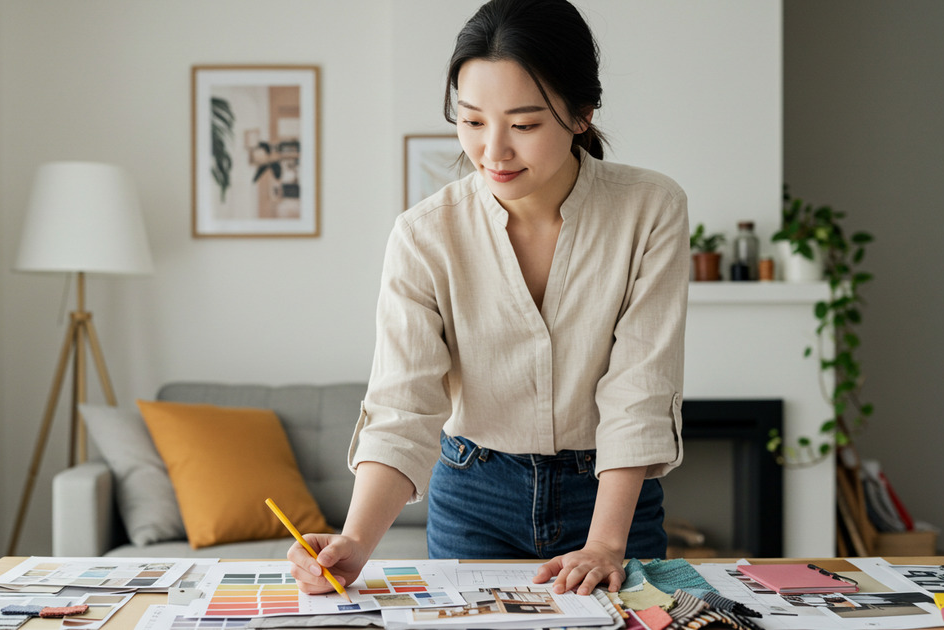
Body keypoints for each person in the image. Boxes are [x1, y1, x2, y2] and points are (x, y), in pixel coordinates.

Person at [289, 0, 688, 597]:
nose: (493, 152)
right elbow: (403, 404)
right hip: (473, 493)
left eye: (523, 125)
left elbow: (641, 388)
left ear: (582, 114)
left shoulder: (650, 209)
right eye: (473, 121)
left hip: (609, 496)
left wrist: (606, 542)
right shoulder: (424, 234)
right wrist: (355, 543)